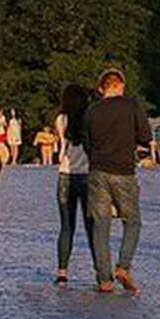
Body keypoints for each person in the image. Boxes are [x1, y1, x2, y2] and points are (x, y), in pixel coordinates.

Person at [84, 67, 153, 293]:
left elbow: (87, 142)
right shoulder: (131, 106)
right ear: (120, 86)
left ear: (102, 88)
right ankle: (123, 266)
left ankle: (104, 279)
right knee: (132, 221)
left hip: (97, 171)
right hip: (123, 170)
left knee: (101, 225)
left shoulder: (92, 111)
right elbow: (146, 136)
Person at [53, 84, 95, 285]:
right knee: (91, 226)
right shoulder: (90, 119)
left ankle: (62, 271)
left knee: (66, 226)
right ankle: (100, 269)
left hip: (65, 174)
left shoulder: (61, 120)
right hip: (87, 175)